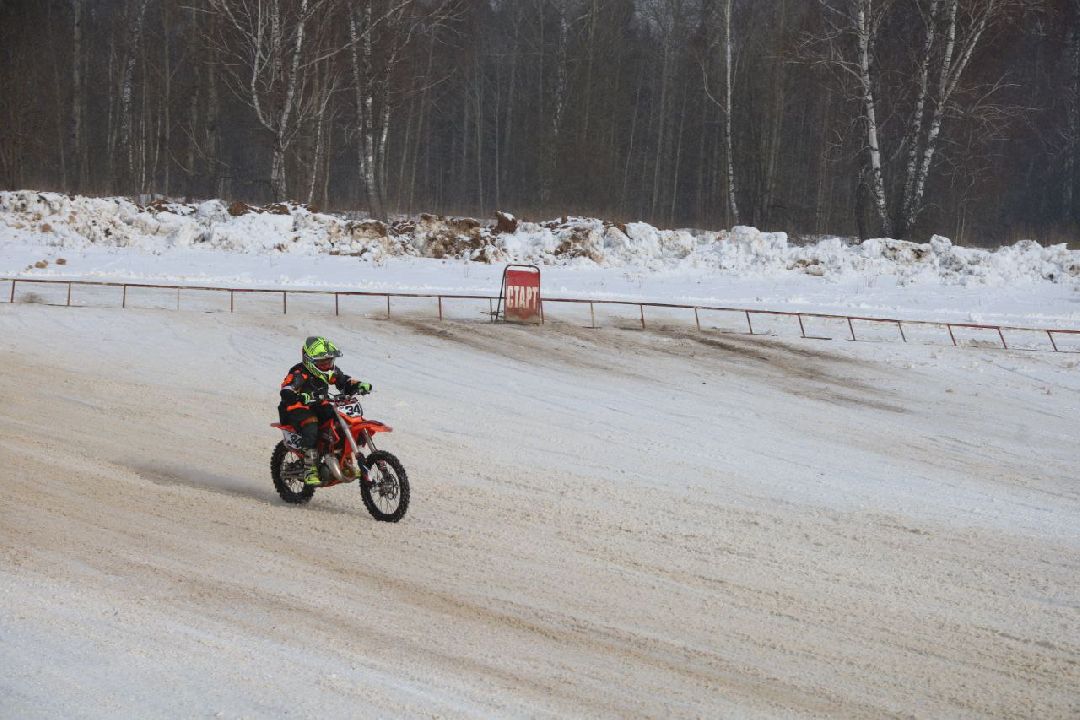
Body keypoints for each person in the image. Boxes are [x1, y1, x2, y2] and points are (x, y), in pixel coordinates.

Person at [279, 336, 372, 486]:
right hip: (296, 408)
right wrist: (298, 395)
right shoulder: (299, 372)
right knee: (311, 425)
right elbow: (287, 388)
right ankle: (309, 468)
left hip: (319, 405)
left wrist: (358, 385)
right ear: (310, 360)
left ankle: (345, 461)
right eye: (322, 362)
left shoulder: (331, 370)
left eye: (328, 361)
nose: (326, 364)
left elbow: (343, 381)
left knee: (341, 420)